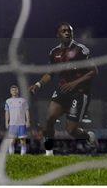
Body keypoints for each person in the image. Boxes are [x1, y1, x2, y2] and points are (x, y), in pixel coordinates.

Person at [29, 22, 98, 156]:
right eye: (64, 31)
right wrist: (38, 84)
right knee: (49, 119)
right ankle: (49, 153)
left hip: (79, 93)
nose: (67, 33)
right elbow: (50, 73)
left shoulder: (81, 50)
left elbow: (94, 71)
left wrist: (75, 83)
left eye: (69, 31)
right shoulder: (54, 53)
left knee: (71, 130)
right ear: (58, 34)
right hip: (62, 91)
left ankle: (89, 137)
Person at [4, 85, 30, 155]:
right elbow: (7, 112)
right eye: (12, 90)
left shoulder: (23, 100)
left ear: (18, 91)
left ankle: (22, 156)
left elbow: (26, 111)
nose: (14, 91)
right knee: (11, 141)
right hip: (12, 124)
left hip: (21, 123)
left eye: (15, 90)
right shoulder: (8, 101)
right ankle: (12, 156)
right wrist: (6, 122)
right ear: (10, 92)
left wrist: (28, 121)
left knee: (22, 141)